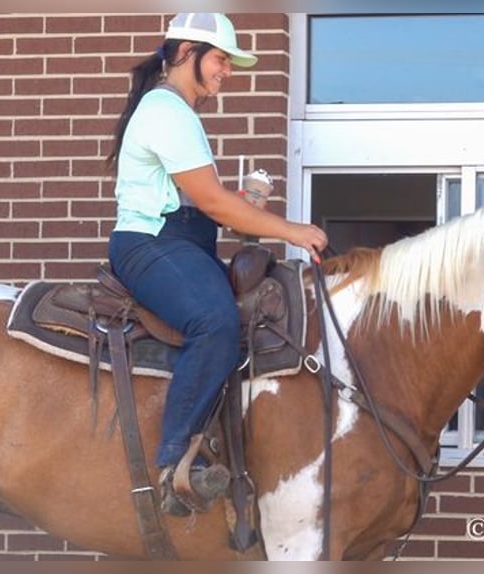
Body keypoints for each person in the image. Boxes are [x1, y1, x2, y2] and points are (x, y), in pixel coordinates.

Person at [106, 13, 327, 516]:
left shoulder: (178, 112)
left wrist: (247, 205)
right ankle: (172, 465)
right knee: (215, 321)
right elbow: (212, 203)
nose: (227, 71)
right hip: (151, 243)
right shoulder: (165, 109)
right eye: (222, 59)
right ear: (187, 53)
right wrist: (292, 229)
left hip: (180, 242)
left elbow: (214, 206)